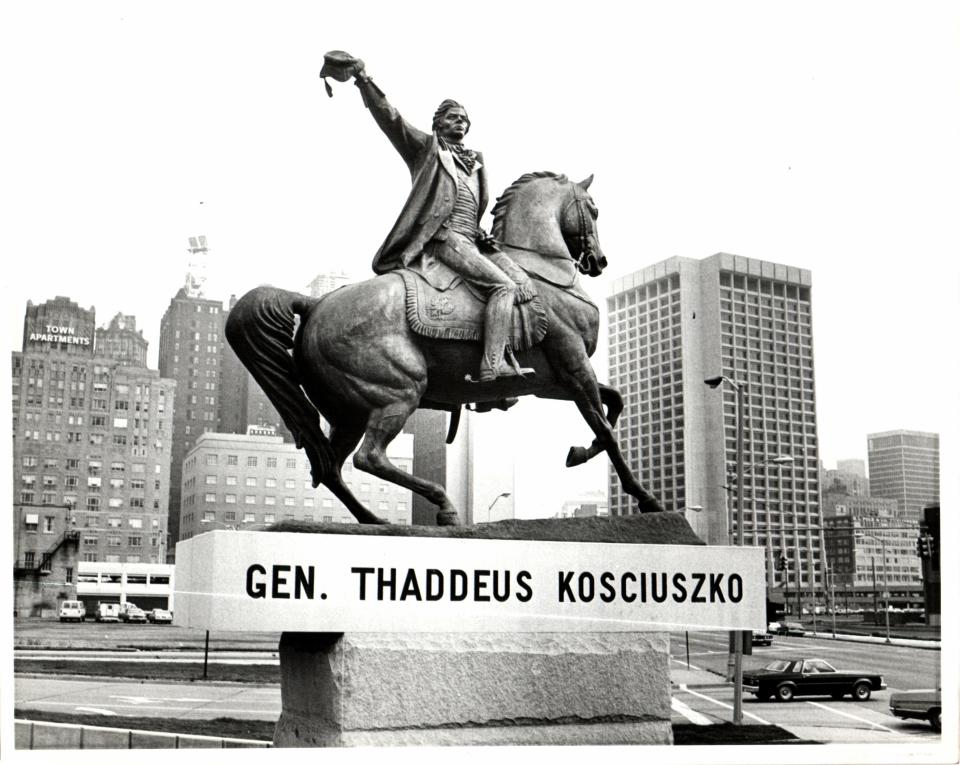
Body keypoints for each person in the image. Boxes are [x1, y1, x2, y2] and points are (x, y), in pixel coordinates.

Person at [324, 52, 534, 382]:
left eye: (464, 118)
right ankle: (493, 366)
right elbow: (390, 119)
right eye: (453, 117)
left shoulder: (477, 163)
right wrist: (364, 79)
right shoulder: (427, 150)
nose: (460, 121)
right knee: (503, 287)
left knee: (524, 284)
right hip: (442, 239)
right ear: (438, 124)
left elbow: (467, 207)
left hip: (471, 239)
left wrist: (480, 232)